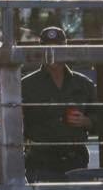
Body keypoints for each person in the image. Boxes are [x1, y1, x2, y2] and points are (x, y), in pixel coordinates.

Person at [19, 25, 96, 180]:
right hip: (41, 162)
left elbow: (102, 118)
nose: (52, 52)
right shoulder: (26, 85)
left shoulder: (83, 84)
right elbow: (16, 125)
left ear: (65, 48)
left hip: (76, 159)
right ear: (41, 50)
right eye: (47, 47)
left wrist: (87, 121)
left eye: (58, 47)